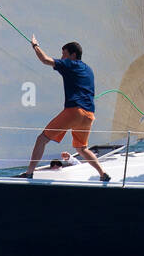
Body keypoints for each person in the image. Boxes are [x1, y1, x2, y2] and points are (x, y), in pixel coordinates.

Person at [20, 38, 109, 181]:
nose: (62, 57)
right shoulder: (88, 69)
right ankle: (102, 174)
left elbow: (45, 60)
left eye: (64, 54)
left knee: (41, 139)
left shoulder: (70, 64)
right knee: (81, 148)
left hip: (75, 112)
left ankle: (29, 172)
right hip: (89, 116)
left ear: (73, 55)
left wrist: (35, 46)